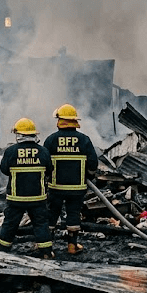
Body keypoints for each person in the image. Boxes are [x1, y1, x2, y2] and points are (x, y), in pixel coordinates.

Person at [43, 104, 99, 255]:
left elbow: (44, 163)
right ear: (75, 121)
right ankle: (72, 247)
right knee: (73, 215)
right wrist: (89, 175)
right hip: (77, 188)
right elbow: (93, 162)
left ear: (60, 120)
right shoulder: (84, 140)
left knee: (51, 215)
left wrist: (46, 179)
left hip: (56, 188)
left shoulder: (51, 140)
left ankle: (47, 248)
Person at [0, 118, 54, 258]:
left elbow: (4, 169)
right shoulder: (43, 151)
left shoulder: (11, 151)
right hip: (38, 197)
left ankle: (2, 251)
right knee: (41, 224)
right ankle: (46, 252)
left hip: (16, 198)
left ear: (19, 135)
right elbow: (49, 170)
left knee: (10, 224)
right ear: (34, 134)